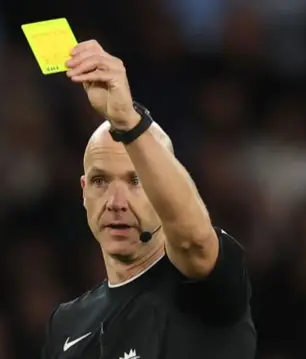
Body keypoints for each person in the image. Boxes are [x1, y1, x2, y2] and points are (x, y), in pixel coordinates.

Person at [41, 40, 256, 359]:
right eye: (100, 181)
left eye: (136, 180)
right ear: (84, 190)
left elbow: (194, 242)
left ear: (162, 188)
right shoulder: (66, 323)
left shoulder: (206, 287)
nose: (116, 202)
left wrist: (127, 119)